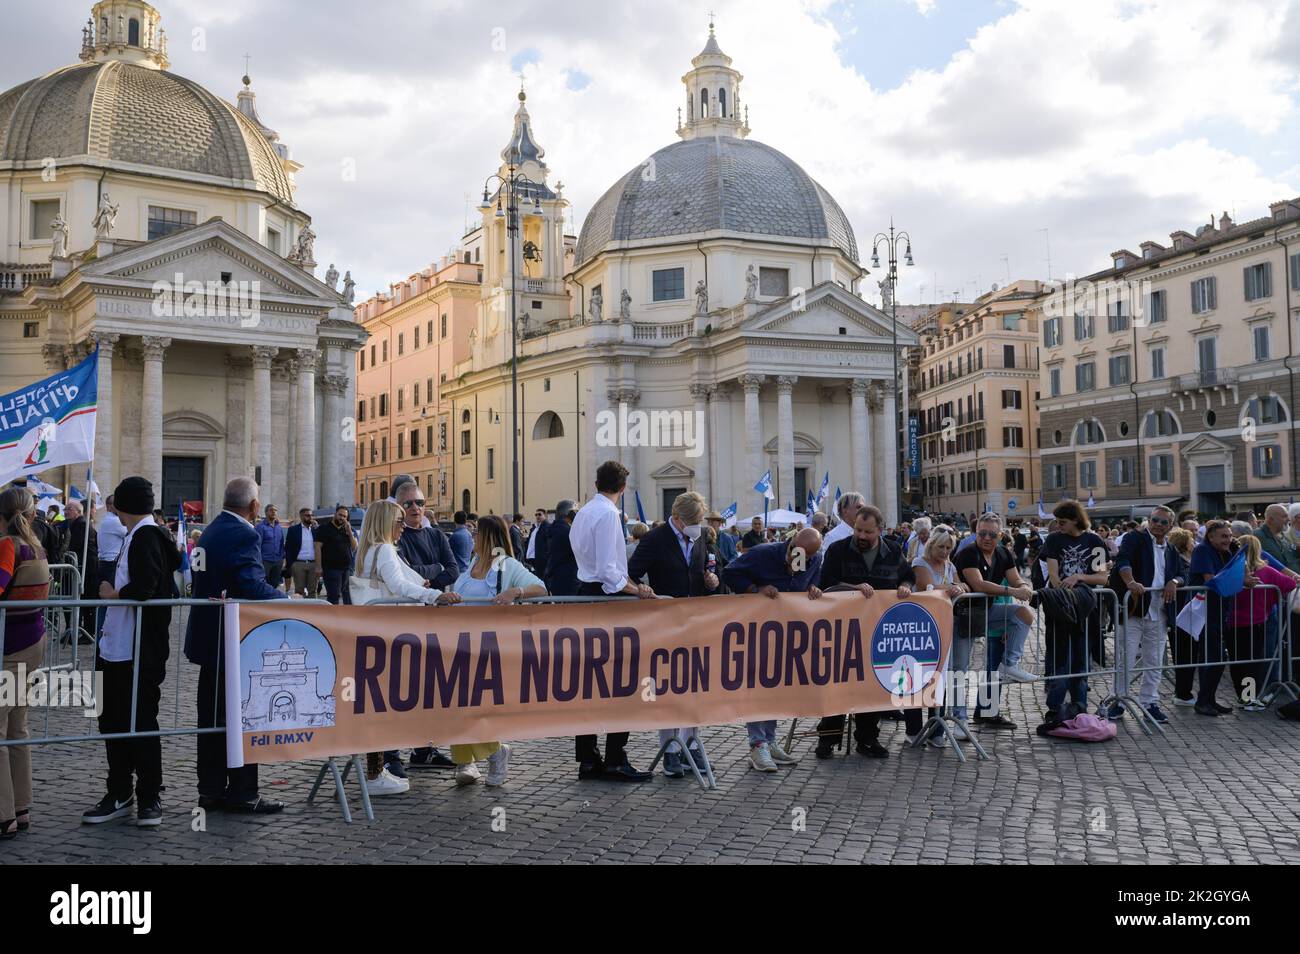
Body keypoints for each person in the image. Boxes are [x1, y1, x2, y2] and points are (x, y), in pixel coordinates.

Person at [184, 477, 288, 814]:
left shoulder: (211, 529)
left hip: (208, 638)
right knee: (243, 716)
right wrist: (288, 600)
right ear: (255, 506)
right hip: (232, 642)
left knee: (212, 720)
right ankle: (243, 792)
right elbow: (251, 586)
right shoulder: (245, 533)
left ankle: (211, 790)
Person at [84, 477, 180, 828]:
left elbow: (146, 586)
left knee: (138, 721)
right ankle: (120, 792)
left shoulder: (145, 537)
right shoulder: (140, 535)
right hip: (118, 646)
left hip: (137, 648)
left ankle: (148, 794)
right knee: (112, 720)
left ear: (121, 506)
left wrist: (111, 594)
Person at [351, 500, 462, 794]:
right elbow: (399, 586)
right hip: (390, 633)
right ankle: (379, 770)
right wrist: (435, 595)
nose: (404, 526)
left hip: (373, 633)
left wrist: (425, 582)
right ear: (388, 522)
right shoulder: (385, 549)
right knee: (391, 699)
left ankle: (381, 766)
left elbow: (404, 577)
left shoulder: (369, 550)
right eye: (399, 521)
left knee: (379, 699)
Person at [569, 461, 657, 782]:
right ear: (623, 488)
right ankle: (616, 758)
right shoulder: (607, 514)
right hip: (607, 600)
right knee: (621, 680)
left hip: (584, 595)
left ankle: (589, 758)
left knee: (589, 682)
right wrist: (638, 590)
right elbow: (610, 574)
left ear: (596, 483)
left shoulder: (582, 512)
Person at [814, 505, 923, 757]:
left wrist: (906, 586)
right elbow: (825, 584)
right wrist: (852, 587)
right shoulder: (837, 550)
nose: (861, 536)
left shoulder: (894, 550)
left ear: (880, 530)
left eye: (868, 532)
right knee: (838, 686)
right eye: (858, 530)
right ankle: (827, 739)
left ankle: (867, 739)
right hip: (843, 629)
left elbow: (907, 576)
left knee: (872, 686)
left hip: (878, 631)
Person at [446, 515, 545, 787]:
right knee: (457, 705)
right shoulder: (472, 565)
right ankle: (468, 759)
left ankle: (495, 752)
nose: (473, 536)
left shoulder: (507, 565)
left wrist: (516, 592)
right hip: (461, 645)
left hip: (490, 646)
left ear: (488, 537)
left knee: (477, 707)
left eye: (477, 532)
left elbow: (541, 588)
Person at [628, 491, 719, 778]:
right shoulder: (655, 539)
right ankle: (669, 750)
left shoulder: (702, 536)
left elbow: (711, 570)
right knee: (668, 685)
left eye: (700, 521)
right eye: (693, 521)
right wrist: (641, 589)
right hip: (666, 622)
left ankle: (691, 744)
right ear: (677, 519)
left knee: (695, 686)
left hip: (697, 621)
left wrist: (713, 580)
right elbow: (631, 573)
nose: (698, 525)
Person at [723, 527, 823, 771]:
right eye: (794, 553)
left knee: (776, 686)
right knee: (758, 686)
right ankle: (758, 744)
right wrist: (754, 590)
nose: (796, 560)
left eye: (805, 558)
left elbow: (812, 581)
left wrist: (814, 589)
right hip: (757, 631)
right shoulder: (762, 553)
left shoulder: (815, 559)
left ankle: (769, 739)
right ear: (790, 543)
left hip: (787, 633)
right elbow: (729, 573)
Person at [389, 476, 457, 772]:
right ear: (398, 507)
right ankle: (386, 759)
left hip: (435, 618)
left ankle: (425, 749)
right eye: (409, 503)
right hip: (406, 620)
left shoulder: (437, 535)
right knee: (402, 687)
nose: (416, 508)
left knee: (431, 687)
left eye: (420, 502)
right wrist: (434, 573)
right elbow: (409, 575)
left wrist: (431, 575)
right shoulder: (396, 537)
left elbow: (454, 568)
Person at [0, 487, 51, 839]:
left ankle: (4, 814)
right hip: (33, 643)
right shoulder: (38, 547)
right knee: (17, 728)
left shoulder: (8, 546)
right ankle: (21, 805)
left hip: (9, 647)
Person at [954, 513, 1035, 729]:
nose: (987, 538)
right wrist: (1013, 590)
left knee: (1024, 615)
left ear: (1000, 535)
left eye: (991, 534)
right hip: (962, 615)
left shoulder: (1004, 553)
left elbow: (1016, 578)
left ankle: (1010, 664)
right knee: (960, 667)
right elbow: (978, 585)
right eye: (982, 533)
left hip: (988, 612)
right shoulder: (968, 553)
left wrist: (1024, 587)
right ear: (975, 533)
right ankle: (959, 719)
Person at [1111, 505, 1186, 724]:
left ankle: (1149, 702)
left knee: (1155, 660)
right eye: (1155, 520)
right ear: (1149, 520)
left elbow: (1182, 574)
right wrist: (1130, 582)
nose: (1158, 524)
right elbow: (1122, 561)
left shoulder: (1171, 549)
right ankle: (1118, 699)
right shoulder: (1135, 538)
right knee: (1126, 657)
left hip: (1159, 611)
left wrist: (1174, 582)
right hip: (1134, 609)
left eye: (1163, 522)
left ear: (1170, 525)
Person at [1039, 501, 1111, 718]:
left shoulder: (1095, 541)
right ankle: (1055, 708)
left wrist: (1078, 577)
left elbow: (1102, 577)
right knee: (1060, 660)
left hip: (1085, 606)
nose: (1058, 525)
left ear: (1075, 520)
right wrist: (1063, 590)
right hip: (1060, 605)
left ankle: (1079, 706)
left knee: (1081, 660)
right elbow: (1053, 574)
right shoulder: (1053, 539)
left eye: (1062, 522)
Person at [910, 529, 971, 739]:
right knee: (919, 675)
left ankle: (937, 731)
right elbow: (927, 586)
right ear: (931, 545)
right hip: (922, 624)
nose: (945, 552)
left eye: (948, 548)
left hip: (943, 624)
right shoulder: (920, 562)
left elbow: (960, 585)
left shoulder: (950, 565)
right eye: (941, 547)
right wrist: (951, 588)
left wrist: (959, 587)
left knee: (941, 674)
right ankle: (915, 729)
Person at [1225, 535, 1294, 711]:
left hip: (1232, 622)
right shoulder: (1266, 571)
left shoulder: (1231, 570)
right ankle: (1249, 698)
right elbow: (1290, 584)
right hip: (1256, 621)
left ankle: (1243, 696)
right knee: (1252, 663)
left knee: (1237, 661)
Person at [63, 500, 98, 643]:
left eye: (69, 509)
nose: (65, 511)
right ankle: (73, 630)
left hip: (86, 568)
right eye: (65, 509)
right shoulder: (73, 524)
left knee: (86, 600)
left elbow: (74, 545)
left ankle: (87, 633)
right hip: (79, 567)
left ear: (78, 511)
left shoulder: (82, 524)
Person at [316, 504, 357, 605]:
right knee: (334, 596)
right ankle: (332, 618)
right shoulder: (324, 528)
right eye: (340, 515)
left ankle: (348, 617)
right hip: (331, 568)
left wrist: (350, 532)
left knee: (348, 595)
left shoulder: (348, 530)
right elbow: (317, 547)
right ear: (335, 514)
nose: (342, 518)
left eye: (344, 516)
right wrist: (318, 567)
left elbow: (354, 547)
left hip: (346, 569)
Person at [544, 500, 580, 597]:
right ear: (570, 513)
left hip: (557, 578)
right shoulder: (567, 531)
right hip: (568, 581)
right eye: (576, 512)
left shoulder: (556, 529)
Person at [284, 507, 320, 597]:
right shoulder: (293, 530)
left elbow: (322, 544)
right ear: (301, 516)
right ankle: (300, 610)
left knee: (313, 591)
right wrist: (291, 564)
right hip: (299, 564)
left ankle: (312, 611)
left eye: (312, 515)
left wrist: (318, 528)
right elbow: (288, 547)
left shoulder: (316, 530)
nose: (310, 517)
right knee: (299, 591)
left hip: (313, 564)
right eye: (307, 515)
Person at [256, 504, 285, 589]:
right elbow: (257, 545)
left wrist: (282, 559)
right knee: (262, 585)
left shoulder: (279, 527)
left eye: (275, 510)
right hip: (265, 561)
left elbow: (281, 543)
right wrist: (259, 560)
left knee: (274, 585)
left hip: (277, 561)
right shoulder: (261, 527)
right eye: (271, 510)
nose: (274, 512)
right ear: (266, 512)